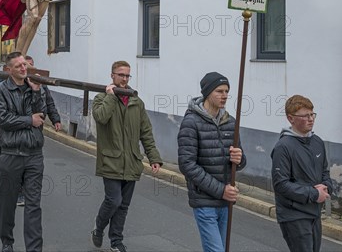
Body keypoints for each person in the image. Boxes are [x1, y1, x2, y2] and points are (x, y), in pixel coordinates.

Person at [91, 61, 163, 252]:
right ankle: (98, 227)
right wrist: (111, 97)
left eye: (127, 76)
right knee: (113, 200)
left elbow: (145, 132)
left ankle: (116, 241)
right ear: (112, 75)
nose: (124, 79)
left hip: (132, 161)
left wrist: (153, 157)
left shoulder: (136, 102)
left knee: (123, 206)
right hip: (111, 160)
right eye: (120, 75)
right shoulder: (100, 99)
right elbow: (101, 117)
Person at [0, 51, 57, 252]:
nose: (24, 68)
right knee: (8, 203)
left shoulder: (35, 87)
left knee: (33, 205)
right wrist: (28, 120)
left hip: (34, 154)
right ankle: (7, 242)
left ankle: (34, 248)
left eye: (25, 65)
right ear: (9, 70)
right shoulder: (1, 90)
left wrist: (37, 92)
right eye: (19, 66)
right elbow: (2, 119)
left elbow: (41, 114)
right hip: (11, 154)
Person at [177, 72, 246, 252]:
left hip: (226, 201)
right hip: (204, 199)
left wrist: (239, 159)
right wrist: (220, 190)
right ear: (207, 93)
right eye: (219, 91)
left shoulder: (230, 122)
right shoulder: (191, 122)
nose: (224, 95)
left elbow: (240, 160)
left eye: (226, 91)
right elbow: (187, 165)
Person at [271, 95, 333, 252]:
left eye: (312, 114)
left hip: (314, 212)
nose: (311, 119)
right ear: (290, 118)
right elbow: (281, 185)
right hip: (293, 215)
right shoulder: (283, 147)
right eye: (305, 115)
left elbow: (325, 173)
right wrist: (313, 193)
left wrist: (326, 187)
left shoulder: (317, 142)